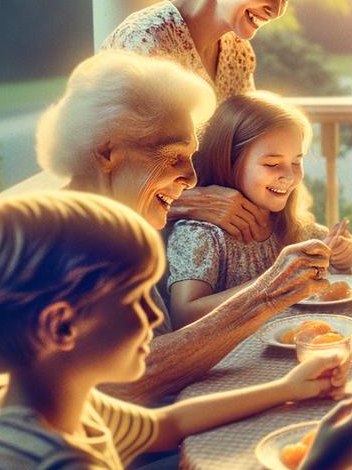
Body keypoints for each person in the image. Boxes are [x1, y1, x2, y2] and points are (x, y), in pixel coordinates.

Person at [0, 190, 352, 470]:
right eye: (136, 300)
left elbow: (167, 425)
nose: (156, 316)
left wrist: (286, 388)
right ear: (60, 327)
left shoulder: (15, 398)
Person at [35, 51, 331, 404]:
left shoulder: (116, 234)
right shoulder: (56, 247)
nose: (191, 179)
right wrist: (266, 294)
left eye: (191, 157)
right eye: (175, 156)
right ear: (107, 153)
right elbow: (126, 385)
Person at [104, 0, 317, 245]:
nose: (276, 10)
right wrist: (196, 202)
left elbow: (244, 153)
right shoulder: (147, 42)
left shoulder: (238, 52)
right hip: (135, 242)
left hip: (204, 240)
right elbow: (116, 176)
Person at [167, 91, 352, 328]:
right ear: (228, 160)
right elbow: (184, 316)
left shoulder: (290, 223)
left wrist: (341, 256)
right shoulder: (201, 234)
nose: (289, 176)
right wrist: (274, 281)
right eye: (272, 164)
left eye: (296, 162)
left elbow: (330, 266)